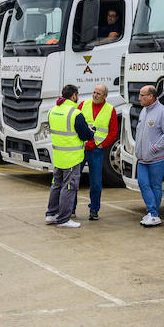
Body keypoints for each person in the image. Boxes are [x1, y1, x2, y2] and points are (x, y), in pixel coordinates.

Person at [45, 84, 92, 228]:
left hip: (58, 156)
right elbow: (85, 135)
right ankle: (64, 219)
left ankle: (51, 215)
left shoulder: (52, 111)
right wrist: (92, 132)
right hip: (72, 157)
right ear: (74, 96)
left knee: (56, 185)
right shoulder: (75, 113)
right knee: (69, 188)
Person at [135, 84, 164, 226]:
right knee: (143, 184)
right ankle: (152, 213)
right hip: (142, 157)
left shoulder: (163, 112)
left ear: (151, 96)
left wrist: (154, 148)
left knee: (155, 186)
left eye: (142, 95)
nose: (139, 98)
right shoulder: (143, 111)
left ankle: (153, 214)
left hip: (157, 157)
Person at [80, 83, 119, 221]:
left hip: (97, 149)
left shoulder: (110, 110)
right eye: (94, 92)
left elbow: (113, 132)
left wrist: (104, 144)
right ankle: (70, 209)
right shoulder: (83, 105)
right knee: (74, 180)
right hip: (82, 148)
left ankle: (94, 209)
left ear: (105, 96)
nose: (95, 95)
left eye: (99, 93)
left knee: (96, 182)